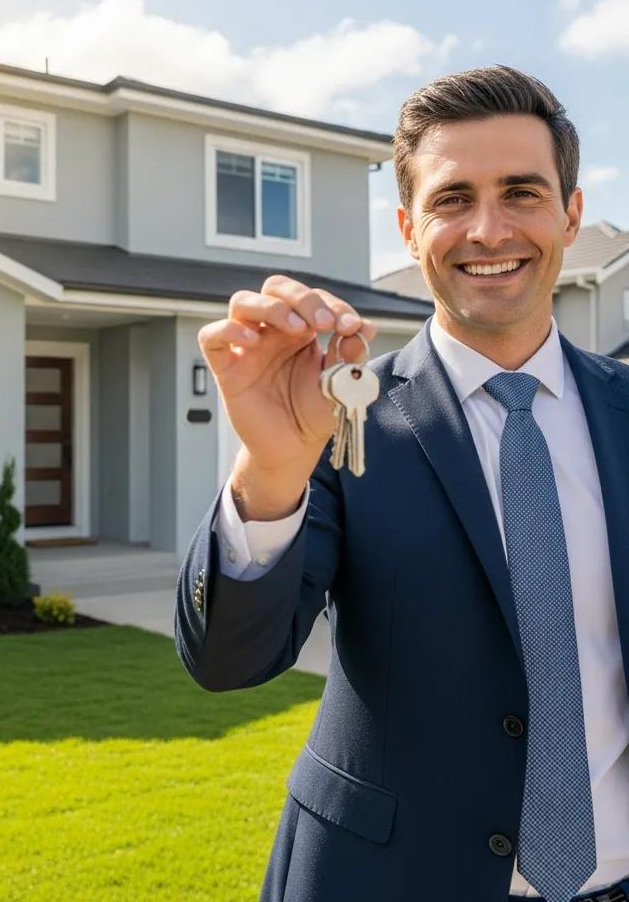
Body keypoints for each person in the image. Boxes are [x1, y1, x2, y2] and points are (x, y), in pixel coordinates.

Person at [174, 65, 629, 902]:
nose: (489, 229)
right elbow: (229, 661)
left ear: (570, 210)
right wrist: (274, 466)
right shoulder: (344, 420)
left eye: (522, 192)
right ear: (408, 227)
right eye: (453, 199)